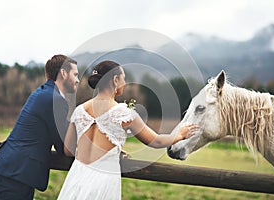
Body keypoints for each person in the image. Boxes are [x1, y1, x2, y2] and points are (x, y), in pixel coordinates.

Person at [58, 60, 199, 200]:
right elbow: (156, 141)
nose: (125, 83)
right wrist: (179, 134)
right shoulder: (123, 114)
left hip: (77, 177)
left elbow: (68, 150)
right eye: (123, 78)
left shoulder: (79, 111)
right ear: (115, 80)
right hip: (103, 181)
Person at [0, 54, 80, 199]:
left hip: (9, 172)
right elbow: (65, 148)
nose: (78, 80)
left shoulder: (43, 92)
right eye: (75, 74)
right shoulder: (55, 100)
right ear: (63, 73)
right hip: (14, 178)